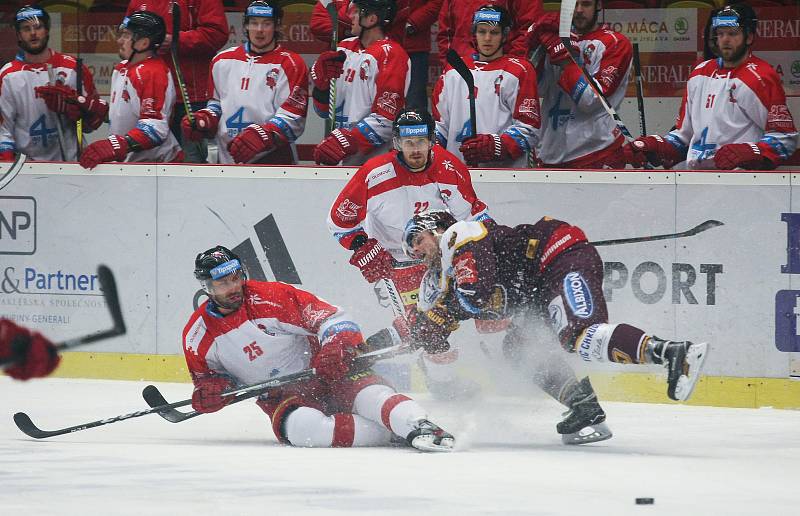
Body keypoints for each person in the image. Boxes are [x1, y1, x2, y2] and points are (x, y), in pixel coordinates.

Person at [402, 210, 710, 414]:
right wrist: (429, 329)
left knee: (579, 334)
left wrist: (445, 313)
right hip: (541, 286)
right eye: (411, 248)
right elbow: (469, 302)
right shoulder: (453, 271)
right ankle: (583, 407)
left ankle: (673, 353)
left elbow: (476, 297)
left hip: (559, 258)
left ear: (437, 228)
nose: (416, 250)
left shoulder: (459, 235)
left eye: (417, 239)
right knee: (517, 348)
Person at [182, 245, 455, 452]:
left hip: (327, 370)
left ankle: (419, 425)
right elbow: (208, 379)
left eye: (236, 277)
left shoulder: (271, 297)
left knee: (372, 395)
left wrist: (335, 346)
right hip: (279, 394)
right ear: (207, 288)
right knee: (304, 430)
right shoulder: (197, 336)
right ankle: (393, 432)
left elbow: (332, 318)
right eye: (223, 283)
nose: (233, 287)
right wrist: (214, 391)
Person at [326, 107, 491, 400]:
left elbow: (475, 220)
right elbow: (339, 221)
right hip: (393, 264)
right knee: (415, 328)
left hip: (441, 261)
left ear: (432, 141)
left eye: (421, 141)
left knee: (436, 326)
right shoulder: (373, 173)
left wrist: (492, 247)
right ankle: (361, 368)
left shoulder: (450, 169)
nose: (415, 149)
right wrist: (363, 246)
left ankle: (441, 382)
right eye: (407, 142)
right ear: (396, 143)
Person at [623, 3, 798, 170]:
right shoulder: (699, 74)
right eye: (720, 33)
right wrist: (655, 145)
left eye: (733, 33)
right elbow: (683, 137)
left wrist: (753, 152)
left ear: (749, 37)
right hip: (697, 179)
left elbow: (785, 138)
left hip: (741, 184)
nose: (725, 40)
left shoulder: (760, 77)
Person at [181, 1, 308, 165]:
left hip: (274, 161)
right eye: (254, 23)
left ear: (277, 26)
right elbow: (217, 105)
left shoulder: (291, 63)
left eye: (266, 24)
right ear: (246, 26)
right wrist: (205, 119)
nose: (259, 30)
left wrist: (264, 135)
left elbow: (294, 117)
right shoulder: (222, 60)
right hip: (227, 161)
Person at [527, 0, 633, 168]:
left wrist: (566, 60)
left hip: (597, 153)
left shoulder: (615, 43)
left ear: (599, 5)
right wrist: (532, 48)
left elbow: (590, 101)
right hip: (551, 154)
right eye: (573, 5)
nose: (578, 10)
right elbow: (538, 89)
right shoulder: (555, 39)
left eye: (586, 4)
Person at [432, 5, 540, 168]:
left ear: (504, 35)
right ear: (474, 34)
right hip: (456, 173)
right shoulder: (454, 70)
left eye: (494, 32)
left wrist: (496, 146)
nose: (487, 38)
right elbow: (440, 126)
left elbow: (529, 129)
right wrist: (430, 147)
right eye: (482, 31)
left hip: (505, 177)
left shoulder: (519, 71)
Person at [126, 0, 228, 163]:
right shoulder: (137, 2)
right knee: (150, 164)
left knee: (191, 167)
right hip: (151, 98)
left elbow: (217, 33)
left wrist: (176, 40)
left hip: (191, 99)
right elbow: (128, 33)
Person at [0, 5, 107, 162]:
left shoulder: (73, 68)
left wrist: (80, 112)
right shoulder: (8, 76)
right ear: (18, 35)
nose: (33, 33)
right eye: (26, 29)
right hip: (26, 169)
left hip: (73, 165)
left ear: (47, 30)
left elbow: (90, 126)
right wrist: (9, 169)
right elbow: (4, 133)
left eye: (38, 27)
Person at [311, 0, 410, 166]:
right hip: (339, 156)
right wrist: (322, 88)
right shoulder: (342, 49)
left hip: (377, 164)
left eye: (356, 12)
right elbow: (323, 112)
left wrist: (350, 140)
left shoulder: (392, 55)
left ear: (371, 19)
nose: (351, 16)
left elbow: (387, 118)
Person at [80, 10, 182, 170]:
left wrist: (116, 145)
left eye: (126, 36)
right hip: (132, 166)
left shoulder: (153, 72)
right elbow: (127, 115)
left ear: (143, 43)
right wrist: (96, 109)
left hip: (158, 168)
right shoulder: (122, 69)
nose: (119, 40)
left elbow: (155, 128)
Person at [437, 0, 540, 69]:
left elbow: (529, 29)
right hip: (461, 69)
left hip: (502, 72)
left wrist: (511, 66)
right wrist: (449, 66)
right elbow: (446, 32)